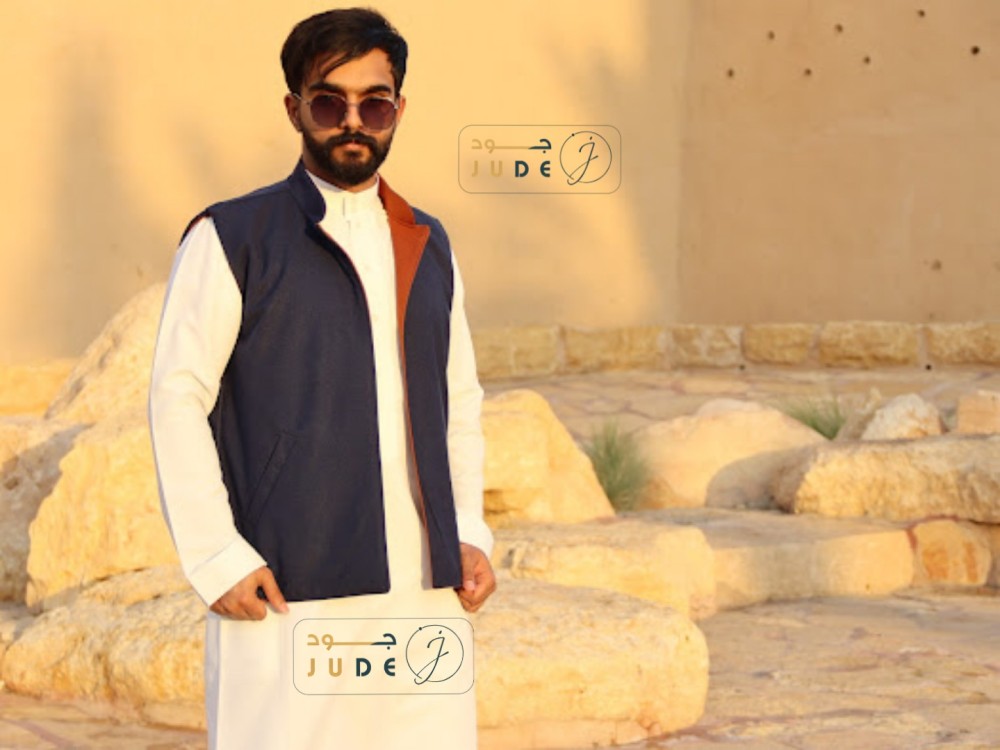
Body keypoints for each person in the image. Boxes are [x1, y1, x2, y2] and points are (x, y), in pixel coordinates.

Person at [148, 8, 496, 749]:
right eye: (330, 102)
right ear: (295, 109)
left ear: (399, 109)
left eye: (375, 103)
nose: (353, 122)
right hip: (288, 580)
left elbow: (459, 402)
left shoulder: (428, 242)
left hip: (425, 592)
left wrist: (468, 531)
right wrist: (217, 556)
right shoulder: (232, 237)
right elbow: (176, 397)